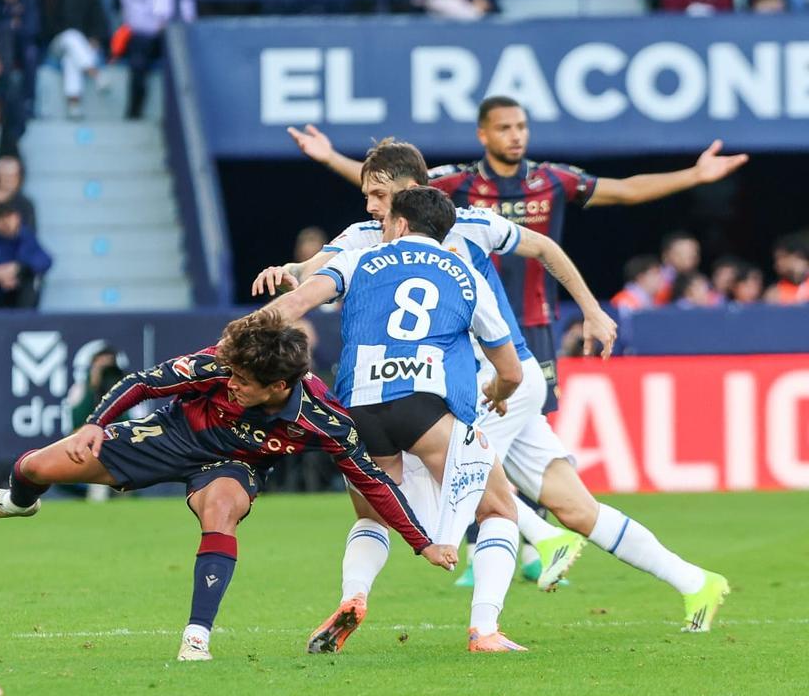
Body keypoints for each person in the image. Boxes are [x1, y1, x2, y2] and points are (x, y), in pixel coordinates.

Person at [263, 138, 730, 639]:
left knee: (451, 493)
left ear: (412, 190)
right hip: (474, 384)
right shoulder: (363, 235)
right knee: (575, 507)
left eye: (379, 195)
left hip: (496, 381)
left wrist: (592, 310)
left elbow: (545, 247)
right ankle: (696, 582)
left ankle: (533, 550)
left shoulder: (470, 223)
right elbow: (312, 269)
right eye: (367, 196)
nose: (371, 206)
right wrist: (287, 271)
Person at [0, 311, 452, 661]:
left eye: (243, 381)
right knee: (34, 467)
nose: (231, 382)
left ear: (278, 387)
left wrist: (423, 543)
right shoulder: (219, 363)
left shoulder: (323, 419)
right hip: (170, 436)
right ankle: (18, 504)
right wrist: (94, 424)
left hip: (232, 464)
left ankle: (196, 636)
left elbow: (374, 483)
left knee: (222, 509)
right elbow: (142, 383)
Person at [288, 95, 748, 417]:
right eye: (505, 127)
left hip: (533, 321)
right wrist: (331, 158)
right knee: (486, 433)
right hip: (472, 325)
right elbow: (391, 184)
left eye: (522, 127)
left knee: (529, 427)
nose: (515, 135)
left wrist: (694, 175)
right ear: (483, 133)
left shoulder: (550, 180)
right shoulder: (456, 183)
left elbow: (625, 190)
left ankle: (515, 525)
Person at [262, 186, 530, 652]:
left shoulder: (359, 259)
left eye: (386, 221)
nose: (381, 227)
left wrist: (235, 341)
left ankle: (353, 595)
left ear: (401, 223)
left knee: (373, 516)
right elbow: (510, 371)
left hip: (358, 410)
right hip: (425, 407)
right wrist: (497, 392)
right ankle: (484, 629)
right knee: (498, 509)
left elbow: (293, 306)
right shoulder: (466, 274)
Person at [119, 0, 196, 119]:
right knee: (138, 54)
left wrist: (167, 28)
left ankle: (179, 112)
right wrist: (159, 26)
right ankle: (135, 110)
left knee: (182, 50)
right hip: (144, 36)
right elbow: (134, 19)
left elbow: (189, 15)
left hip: (171, 35)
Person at [40, 0, 108, 119]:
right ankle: (95, 73)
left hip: (82, 47)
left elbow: (99, 21)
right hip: (56, 45)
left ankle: (74, 104)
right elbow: (46, 28)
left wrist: (94, 38)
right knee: (70, 36)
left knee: (70, 58)